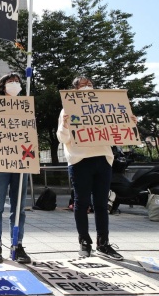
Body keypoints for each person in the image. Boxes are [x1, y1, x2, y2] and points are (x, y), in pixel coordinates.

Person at [57, 76, 132, 261]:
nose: (87, 88)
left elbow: (118, 135)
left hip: (103, 159)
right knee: (82, 203)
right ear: (74, 90)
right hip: (80, 161)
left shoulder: (104, 107)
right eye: (82, 85)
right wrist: (65, 125)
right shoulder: (67, 109)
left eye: (90, 85)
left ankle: (103, 243)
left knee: (101, 204)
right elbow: (62, 138)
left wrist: (129, 124)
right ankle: (84, 241)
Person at [0, 72, 31, 264]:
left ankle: (17, 245)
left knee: (19, 208)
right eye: (10, 82)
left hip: (21, 160)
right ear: (2, 87)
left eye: (17, 81)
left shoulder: (26, 106)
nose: (14, 84)